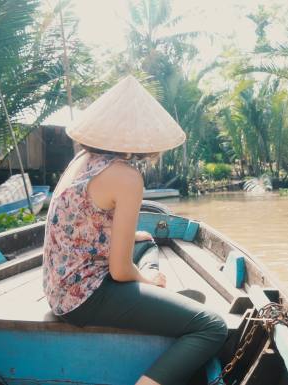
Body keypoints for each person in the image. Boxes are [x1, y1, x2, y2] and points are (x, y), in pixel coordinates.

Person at [42, 75, 228, 385]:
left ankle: (153, 292)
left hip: (57, 287)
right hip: (84, 297)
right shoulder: (126, 177)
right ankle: (154, 292)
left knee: (145, 242)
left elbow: (90, 227)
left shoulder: (81, 159)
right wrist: (147, 280)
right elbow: (118, 270)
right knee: (211, 326)